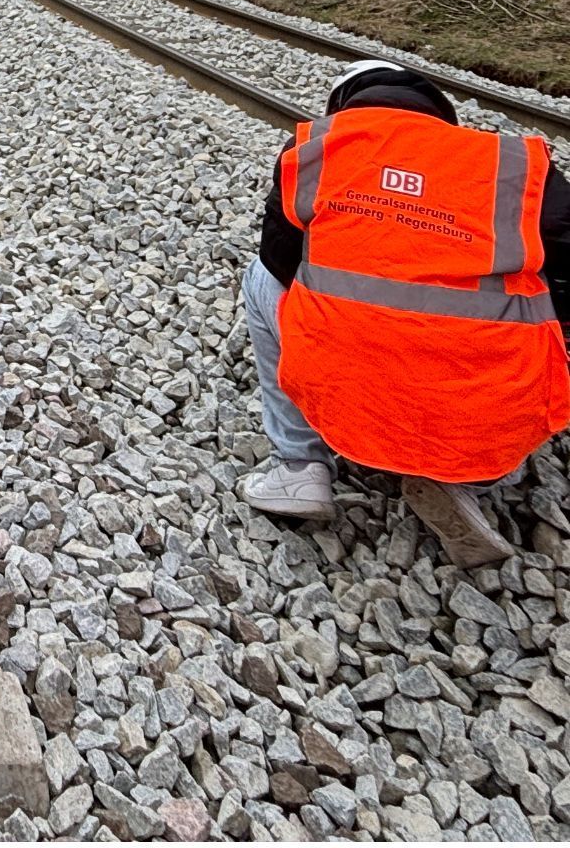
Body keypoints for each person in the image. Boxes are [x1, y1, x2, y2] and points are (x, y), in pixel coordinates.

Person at [240, 59, 570, 566]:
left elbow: (278, 258)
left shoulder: (320, 145)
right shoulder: (509, 163)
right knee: (535, 309)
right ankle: (465, 474)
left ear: (344, 105)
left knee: (260, 277)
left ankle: (300, 467)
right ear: (441, 115)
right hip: (486, 396)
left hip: (348, 374)